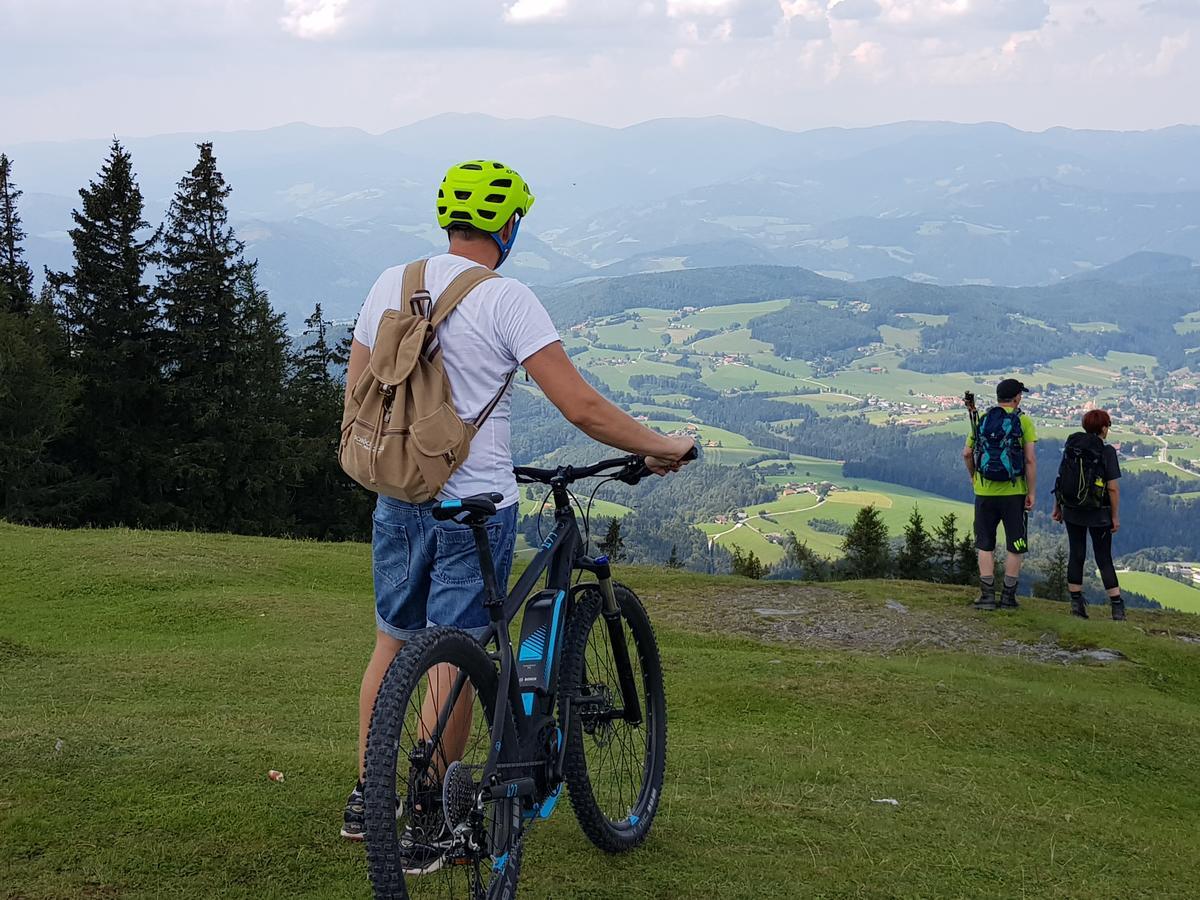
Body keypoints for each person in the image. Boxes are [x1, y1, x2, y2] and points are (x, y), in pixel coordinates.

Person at [340, 160, 696, 844]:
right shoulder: (507, 298)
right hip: (474, 504)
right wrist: (659, 445)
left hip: (399, 498)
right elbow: (582, 407)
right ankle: (427, 815)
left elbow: (359, 390)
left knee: (392, 642)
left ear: (449, 219)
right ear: (507, 224)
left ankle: (368, 798)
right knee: (457, 653)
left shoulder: (392, 282)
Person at [963, 378, 1038, 610]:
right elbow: (1029, 460)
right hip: (1014, 492)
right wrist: (1031, 491)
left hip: (984, 492)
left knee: (985, 544)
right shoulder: (1023, 421)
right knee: (1015, 543)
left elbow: (967, 453)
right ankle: (1008, 596)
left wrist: (974, 476)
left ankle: (986, 596)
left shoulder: (984, 420)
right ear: (1016, 398)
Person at [1052, 409, 1125, 620]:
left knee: (1076, 554)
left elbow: (1062, 477)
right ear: (1104, 428)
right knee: (1103, 558)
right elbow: (1112, 488)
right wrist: (1115, 516)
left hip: (1072, 510)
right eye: (1108, 425)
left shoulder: (1073, 445)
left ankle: (1076, 606)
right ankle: (1117, 608)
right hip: (1098, 513)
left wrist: (1058, 506)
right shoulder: (1107, 451)